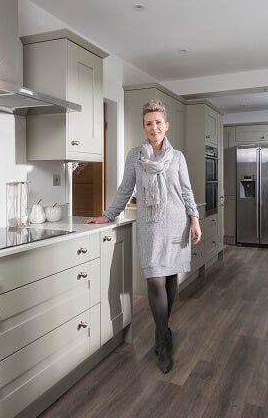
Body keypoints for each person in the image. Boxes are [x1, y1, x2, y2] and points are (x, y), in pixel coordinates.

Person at [84, 99, 201, 373]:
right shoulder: (135, 156)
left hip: (176, 224)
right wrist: (108, 215)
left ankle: (162, 334)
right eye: (149, 123)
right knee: (155, 281)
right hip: (150, 226)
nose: (154, 127)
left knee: (170, 279)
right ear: (144, 127)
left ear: (166, 125)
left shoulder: (179, 157)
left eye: (158, 122)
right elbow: (126, 189)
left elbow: (186, 191)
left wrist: (194, 219)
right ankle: (164, 336)